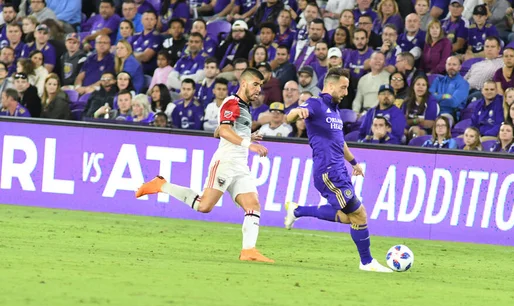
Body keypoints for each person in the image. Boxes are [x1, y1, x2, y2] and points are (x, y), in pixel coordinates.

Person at [136, 68, 274, 263]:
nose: (259, 89)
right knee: (204, 206)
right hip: (226, 162)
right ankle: (161, 185)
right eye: (256, 84)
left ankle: (248, 250)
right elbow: (224, 131)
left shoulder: (243, 106)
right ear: (244, 83)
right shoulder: (232, 103)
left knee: (253, 205)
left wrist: (246, 136)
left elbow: (217, 131)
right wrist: (248, 143)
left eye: (260, 85)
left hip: (241, 165)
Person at [285, 68, 392, 273]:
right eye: (343, 87)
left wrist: (353, 163)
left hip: (339, 171)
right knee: (359, 215)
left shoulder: (335, 112)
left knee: (348, 217)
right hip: (328, 172)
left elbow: (339, 142)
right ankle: (367, 262)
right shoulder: (316, 104)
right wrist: (298, 112)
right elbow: (291, 115)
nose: (345, 92)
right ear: (331, 86)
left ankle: (297, 210)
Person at [429, 56, 469, 120]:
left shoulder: (463, 84)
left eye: (454, 65)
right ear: (445, 66)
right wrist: (445, 96)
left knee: (439, 121)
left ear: (459, 67)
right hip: (432, 111)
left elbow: (453, 103)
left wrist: (437, 96)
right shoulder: (438, 80)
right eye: (449, 64)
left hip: (449, 114)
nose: (451, 67)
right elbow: (429, 96)